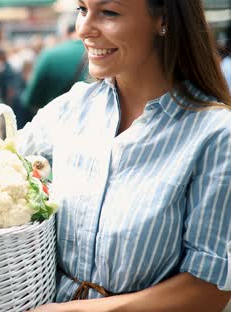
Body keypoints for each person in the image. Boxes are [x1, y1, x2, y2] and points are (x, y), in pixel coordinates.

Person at [18, 1, 231, 311]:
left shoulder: (215, 134)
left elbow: (209, 287)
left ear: (164, 20)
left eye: (109, 12)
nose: (84, 28)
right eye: (82, 9)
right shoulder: (70, 109)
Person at [20, 21, 87, 126]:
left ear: (65, 33)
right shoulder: (104, 54)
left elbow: (31, 99)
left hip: (55, 127)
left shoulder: (50, 55)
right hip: (95, 126)